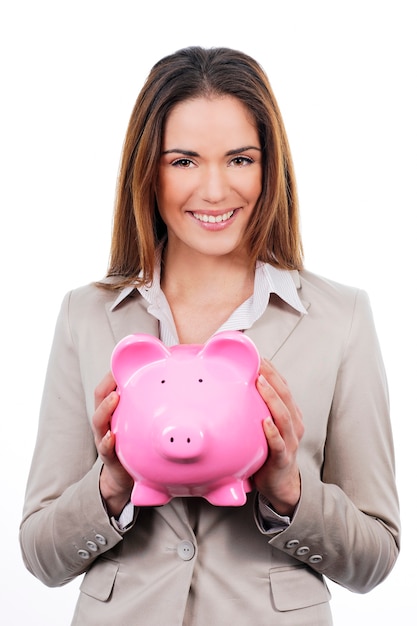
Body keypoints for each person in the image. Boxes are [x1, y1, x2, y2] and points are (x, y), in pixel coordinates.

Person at [20, 46, 400, 626]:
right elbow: (41, 554)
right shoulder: (86, 314)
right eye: (184, 161)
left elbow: (374, 559)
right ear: (147, 169)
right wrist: (114, 481)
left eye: (240, 159)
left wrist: (288, 489)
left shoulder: (340, 316)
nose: (216, 190)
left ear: (270, 166)